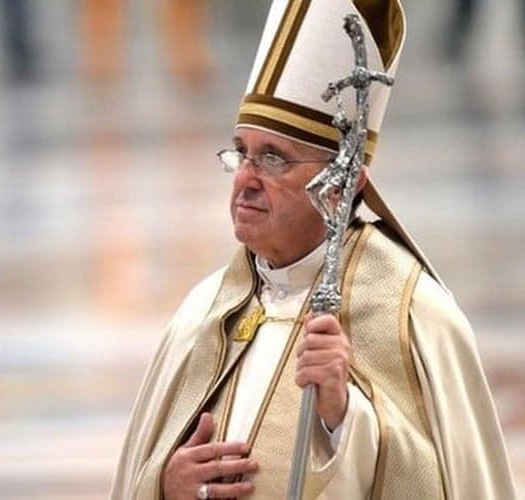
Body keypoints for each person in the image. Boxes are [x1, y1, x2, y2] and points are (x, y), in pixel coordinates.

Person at [110, 1, 516, 499]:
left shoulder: (416, 317)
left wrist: (344, 418)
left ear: (345, 186)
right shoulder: (203, 314)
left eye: (273, 159)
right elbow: (138, 481)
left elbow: (459, 488)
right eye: (241, 153)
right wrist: (165, 486)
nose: (245, 181)